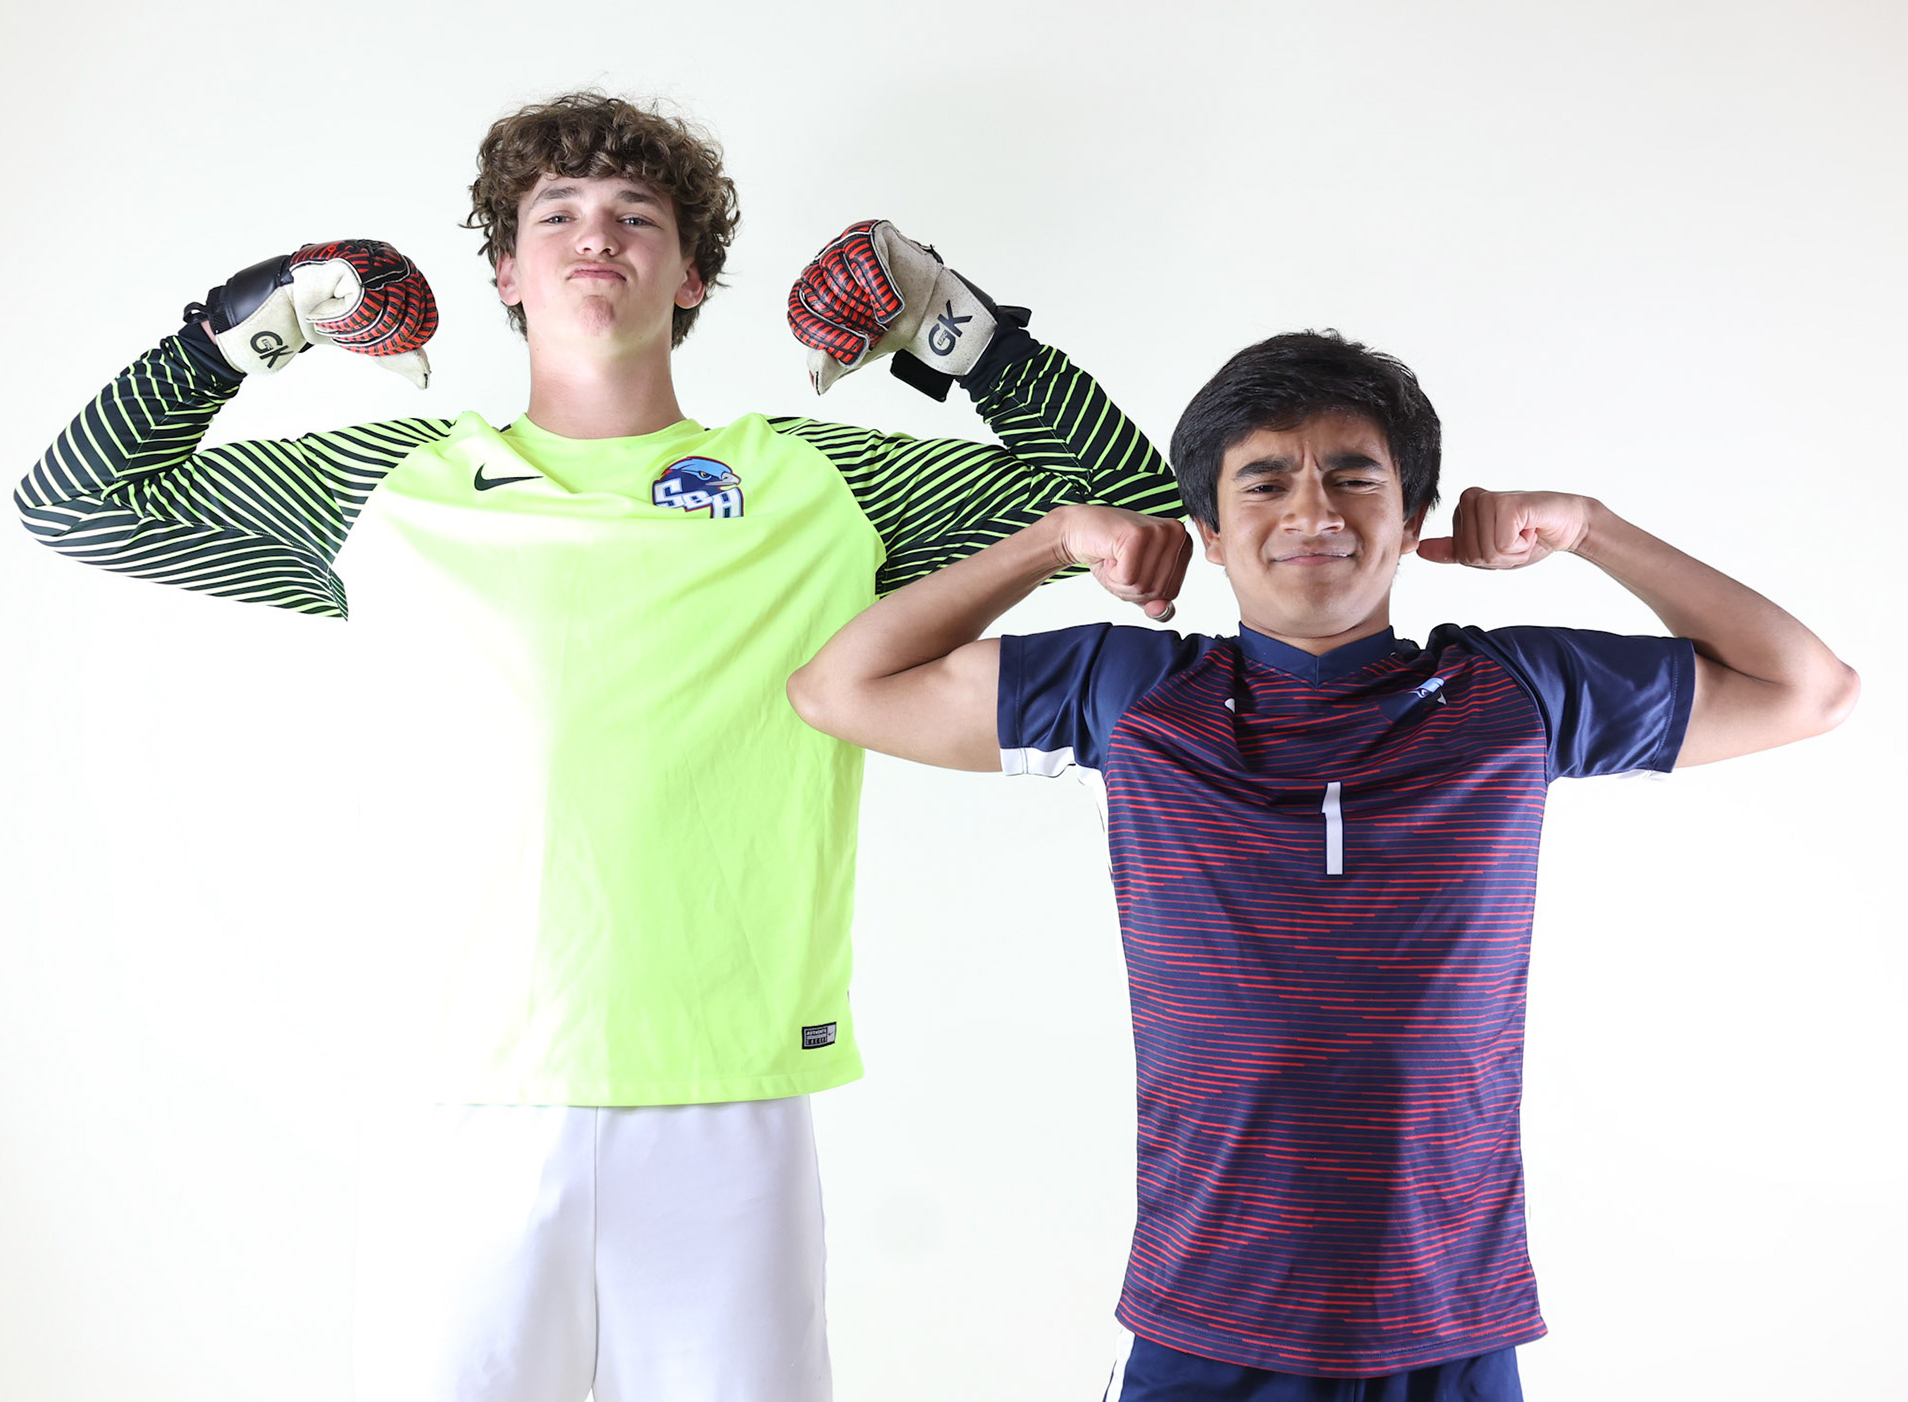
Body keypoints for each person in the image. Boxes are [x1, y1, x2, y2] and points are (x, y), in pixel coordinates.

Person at [12, 92, 1179, 1402]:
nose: (596, 235)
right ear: (504, 268)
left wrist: (947, 322)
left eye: (637, 216)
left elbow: (1133, 511)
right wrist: (260, 321)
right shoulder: (388, 484)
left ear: (692, 274)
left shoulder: (812, 481)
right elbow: (75, 500)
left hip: (724, 1084)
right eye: (554, 212)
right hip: (460, 1087)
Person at [787, 330, 1858, 1401]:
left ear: (1411, 520)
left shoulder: (1511, 694)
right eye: (1264, 479)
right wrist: (1054, 540)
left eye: (1354, 476)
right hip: (1207, 1319)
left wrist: (1591, 530)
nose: (1313, 511)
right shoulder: (1131, 696)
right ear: (1207, 529)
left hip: (1448, 1322)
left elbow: (1810, 688)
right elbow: (839, 690)